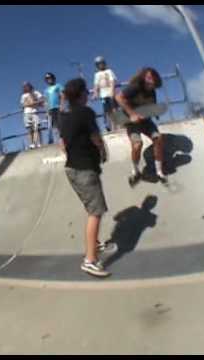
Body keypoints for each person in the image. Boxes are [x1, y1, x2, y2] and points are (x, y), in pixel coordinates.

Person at [59, 78, 118, 278]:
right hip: (85, 169)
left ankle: (96, 243)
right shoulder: (86, 112)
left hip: (72, 169)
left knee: (90, 207)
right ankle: (90, 261)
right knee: (96, 212)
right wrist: (102, 150)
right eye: (86, 91)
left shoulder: (64, 117)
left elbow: (63, 144)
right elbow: (95, 136)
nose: (88, 94)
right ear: (82, 94)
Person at [114, 67, 167, 186]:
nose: (150, 83)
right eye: (148, 78)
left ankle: (159, 171)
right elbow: (118, 97)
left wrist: (154, 113)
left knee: (158, 138)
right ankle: (135, 171)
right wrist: (132, 114)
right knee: (137, 145)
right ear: (143, 78)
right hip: (131, 121)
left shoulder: (152, 92)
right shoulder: (135, 87)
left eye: (153, 81)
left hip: (145, 121)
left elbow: (151, 107)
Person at [92, 56, 118, 132]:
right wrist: (95, 93)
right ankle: (110, 127)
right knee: (107, 111)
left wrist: (112, 91)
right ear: (97, 65)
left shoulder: (109, 71)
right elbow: (96, 85)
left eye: (102, 63)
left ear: (104, 63)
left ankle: (116, 126)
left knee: (114, 110)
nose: (101, 65)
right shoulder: (96, 74)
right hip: (103, 95)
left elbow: (112, 81)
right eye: (99, 64)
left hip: (110, 93)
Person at [20, 81, 45, 149]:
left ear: (30, 86)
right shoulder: (23, 95)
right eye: (24, 86)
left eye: (27, 85)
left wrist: (34, 102)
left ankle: (40, 143)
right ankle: (32, 144)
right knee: (29, 129)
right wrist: (31, 103)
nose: (26, 87)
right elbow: (22, 105)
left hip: (34, 112)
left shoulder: (36, 92)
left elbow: (42, 99)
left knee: (37, 127)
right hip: (26, 113)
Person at [43, 72, 64, 144]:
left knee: (61, 122)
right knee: (55, 125)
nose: (49, 80)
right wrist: (46, 111)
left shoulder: (58, 86)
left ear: (53, 78)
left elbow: (62, 95)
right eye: (47, 79)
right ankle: (59, 140)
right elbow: (46, 101)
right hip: (51, 109)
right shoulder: (46, 90)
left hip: (58, 107)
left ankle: (65, 137)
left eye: (50, 78)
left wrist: (62, 105)